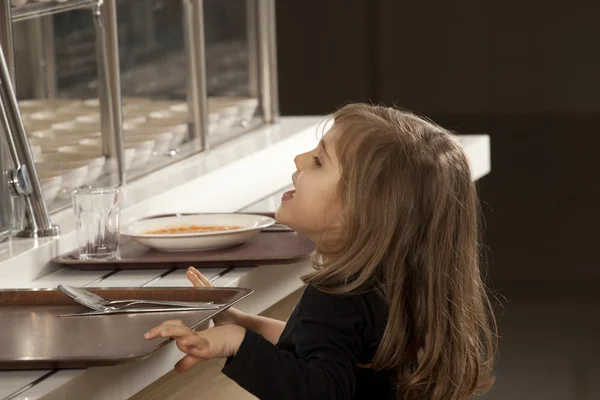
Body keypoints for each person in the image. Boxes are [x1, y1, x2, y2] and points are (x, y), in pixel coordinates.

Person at [145, 103, 497, 400]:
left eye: (318, 161)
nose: (299, 159)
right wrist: (240, 322)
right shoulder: (387, 281)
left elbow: (322, 390)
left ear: (362, 209)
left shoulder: (338, 293)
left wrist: (236, 343)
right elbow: (322, 346)